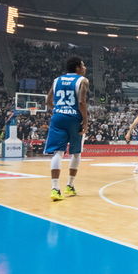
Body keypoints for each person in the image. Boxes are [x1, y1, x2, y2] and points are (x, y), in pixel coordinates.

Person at [44, 57, 89, 201]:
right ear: (77, 67)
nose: (85, 68)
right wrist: (85, 121)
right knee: (76, 153)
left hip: (58, 117)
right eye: (83, 65)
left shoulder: (56, 80)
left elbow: (48, 101)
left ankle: (55, 189)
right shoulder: (82, 80)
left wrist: (58, 109)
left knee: (58, 153)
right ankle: (69, 185)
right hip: (74, 118)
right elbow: (81, 102)